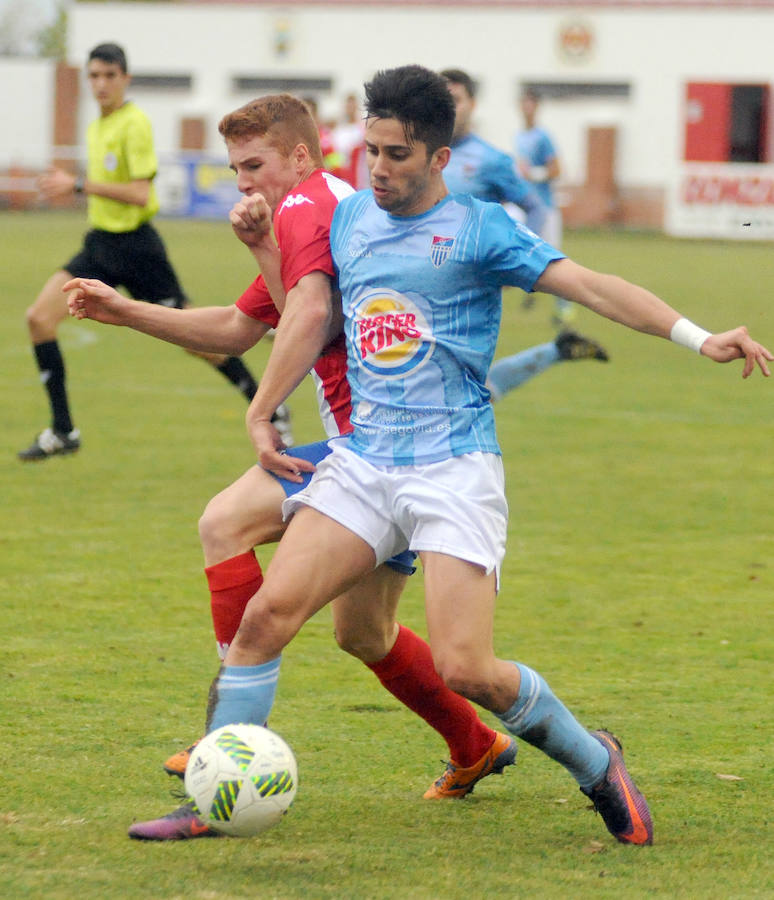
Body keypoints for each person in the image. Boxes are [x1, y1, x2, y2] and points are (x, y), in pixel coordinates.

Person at [188, 64, 771, 847]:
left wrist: (700, 338)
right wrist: (264, 404)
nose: (380, 171)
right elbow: (308, 308)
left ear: (438, 157)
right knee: (265, 620)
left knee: (468, 667)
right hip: (367, 462)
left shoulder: (478, 229)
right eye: (371, 153)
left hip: (452, 468)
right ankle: (211, 805)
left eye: (398, 155)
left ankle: (595, 759)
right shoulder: (350, 219)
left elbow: (593, 285)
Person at [66, 93, 517, 841]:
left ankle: (226, 741)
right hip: (382, 450)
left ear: (300, 156)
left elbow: (315, 319)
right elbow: (242, 326)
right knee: (364, 633)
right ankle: (475, 744)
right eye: (236, 169)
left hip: (373, 449)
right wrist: (129, 311)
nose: (245, 184)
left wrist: (259, 408)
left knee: (224, 522)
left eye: (255, 167)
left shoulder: (310, 207)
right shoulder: (323, 206)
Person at [17, 42, 288, 461]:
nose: (101, 84)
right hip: (101, 244)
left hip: (137, 248)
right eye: (94, 76)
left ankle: (268, 404)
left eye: (109, 75)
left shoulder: (135, 123)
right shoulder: (96, 128)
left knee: (199, 341)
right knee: (38, 318)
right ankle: (63, 430)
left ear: (125, 78)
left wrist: (77, 185)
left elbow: (141, 194)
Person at [440, 68, 609, 398]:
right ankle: (556, 349)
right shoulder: (418, 154)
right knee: (464, 391)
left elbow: (535, 205)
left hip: (468, 293)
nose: (448, 107)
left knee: (460, 393)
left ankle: (562, 316)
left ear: (473, 104)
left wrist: (514, 260)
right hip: (421, 283)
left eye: (456, 99)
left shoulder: (492, 158)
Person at [513, 86, 571, 327]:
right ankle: (531, 294)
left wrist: (533, 174)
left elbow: (557, 169)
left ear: (536, 107)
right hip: (527, 206)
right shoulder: (518, 136)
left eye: (531, 103)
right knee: (525, 250)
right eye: (523, 103)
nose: (527, 108)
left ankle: (565, 308)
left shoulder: (543, 137)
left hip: (545, 208)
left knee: (554, 259)